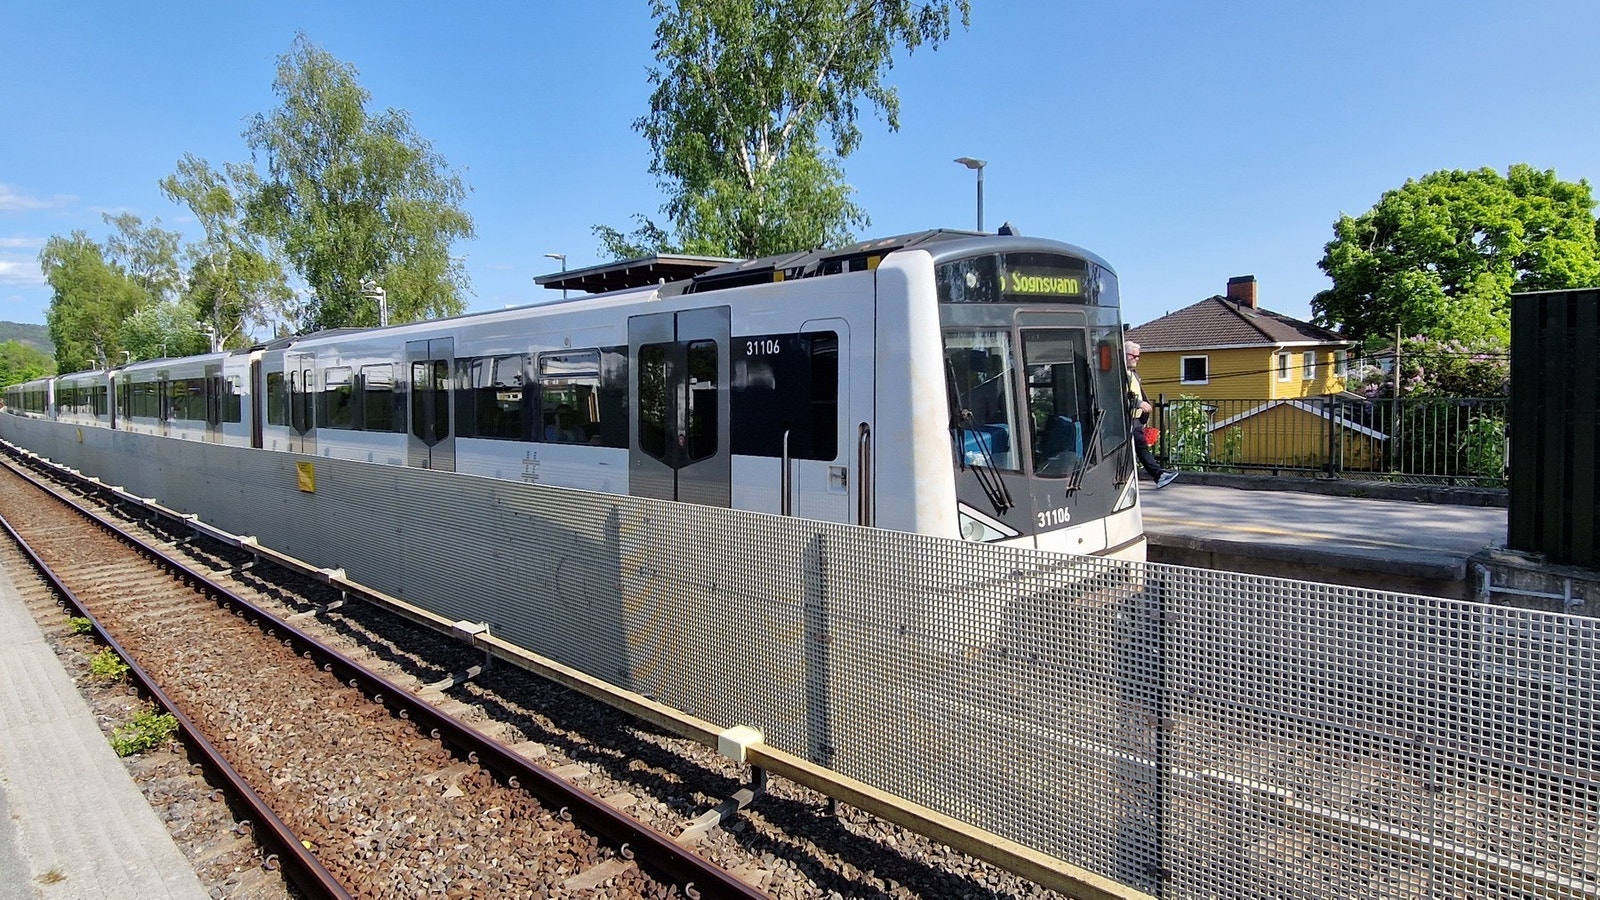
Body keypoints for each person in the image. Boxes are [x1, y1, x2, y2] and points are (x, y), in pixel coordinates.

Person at [1125, 341, 1178, 489]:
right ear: (1124, 355)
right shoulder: (1119, 375)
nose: (1137, 359)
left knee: (1139, 448)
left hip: (1136, 419)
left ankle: (1158, 475)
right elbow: (1117, 395)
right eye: (1133, 356)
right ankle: (1158, 475)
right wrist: (1138, 403)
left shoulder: (1133, 374)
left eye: (1138, 356)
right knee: (1140, 448)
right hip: (1126, 419)